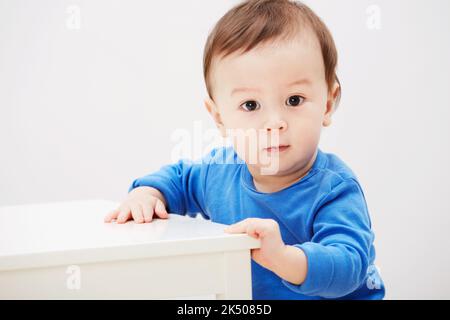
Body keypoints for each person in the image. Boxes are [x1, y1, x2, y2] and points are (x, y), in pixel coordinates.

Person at [104, 0, 385, 300]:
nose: (274, 123)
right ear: (220, 117)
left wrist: (284, 258)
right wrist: (148, 194)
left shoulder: (334, 189)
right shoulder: (220, 171)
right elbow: (180, 179)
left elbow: (349, 265)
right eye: (251, 105)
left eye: (294, 100)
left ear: (328, 104)